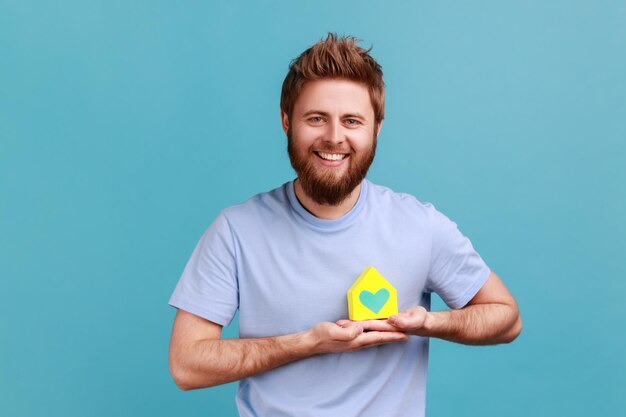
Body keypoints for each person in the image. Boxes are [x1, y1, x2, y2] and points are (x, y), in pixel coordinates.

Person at [168, 33, 522, 417]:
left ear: (377, 129)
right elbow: (186, 365)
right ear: (287, 122)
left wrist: (430, 323)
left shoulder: (421, 226)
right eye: (316, 118)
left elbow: (506, 319)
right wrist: (306, 343)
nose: (335, 138)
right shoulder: (236, 231)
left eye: (351, 121)